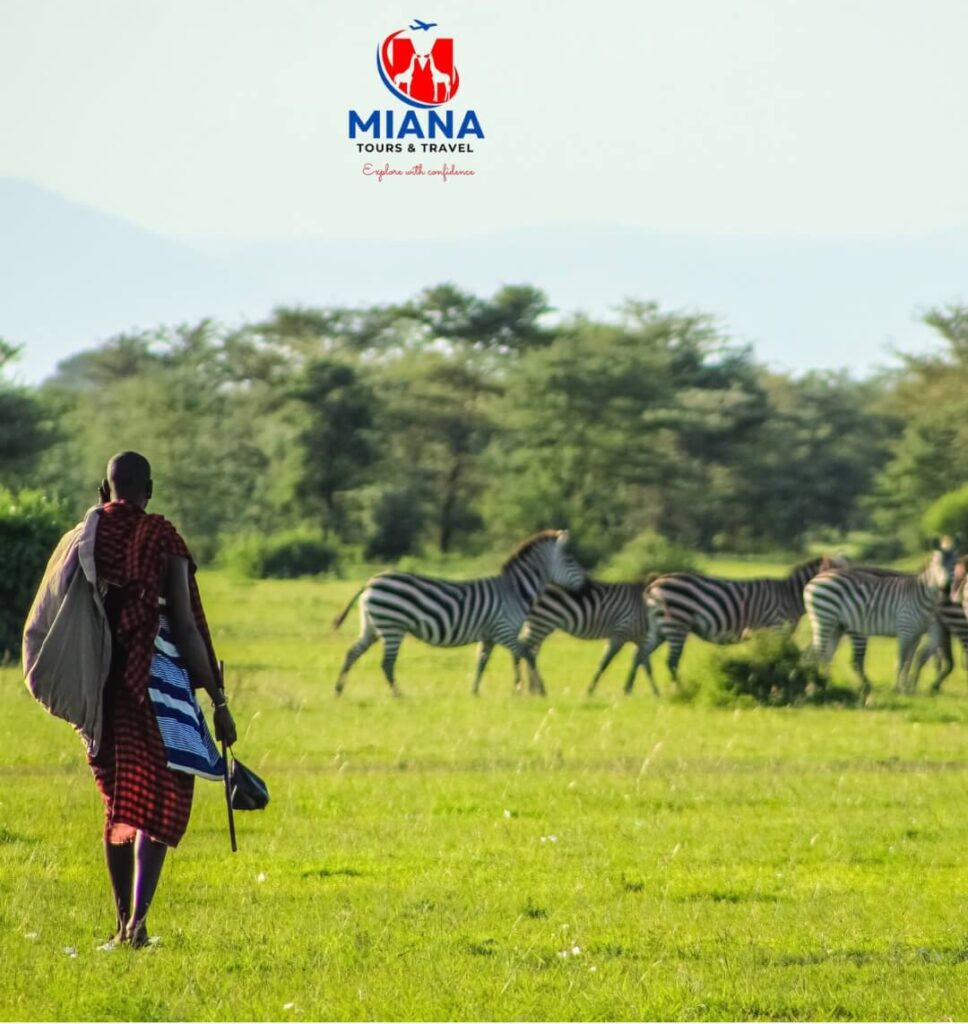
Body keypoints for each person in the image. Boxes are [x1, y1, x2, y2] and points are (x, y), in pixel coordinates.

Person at [89, 451, 236, 947]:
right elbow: (186, 627)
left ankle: (121, 924)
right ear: (148, 489)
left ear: (107, 488)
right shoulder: (162, 536)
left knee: (118, 800)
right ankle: (137, 924)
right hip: (155, 688)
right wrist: (218, 701)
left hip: (101, 684)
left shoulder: (89, 535)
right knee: (159, 796)